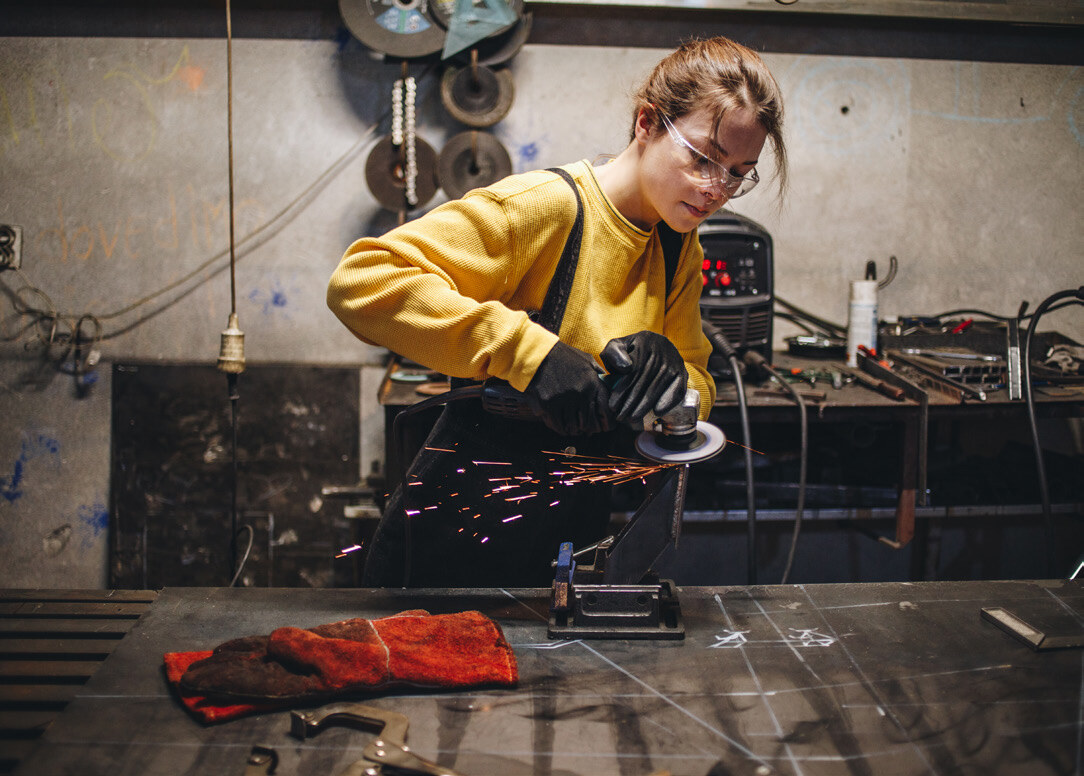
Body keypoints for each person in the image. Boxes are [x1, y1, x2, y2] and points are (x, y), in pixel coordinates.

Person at [327, 36, 787, 587]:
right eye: (703, 158)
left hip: (572, 530)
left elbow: (698, 386)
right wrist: (530, 355)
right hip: (457, 533)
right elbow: (361, 281)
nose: (717, 190)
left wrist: (672, 382)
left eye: (739, 172)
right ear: (647, 123)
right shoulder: (544, 209)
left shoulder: (678, 245)